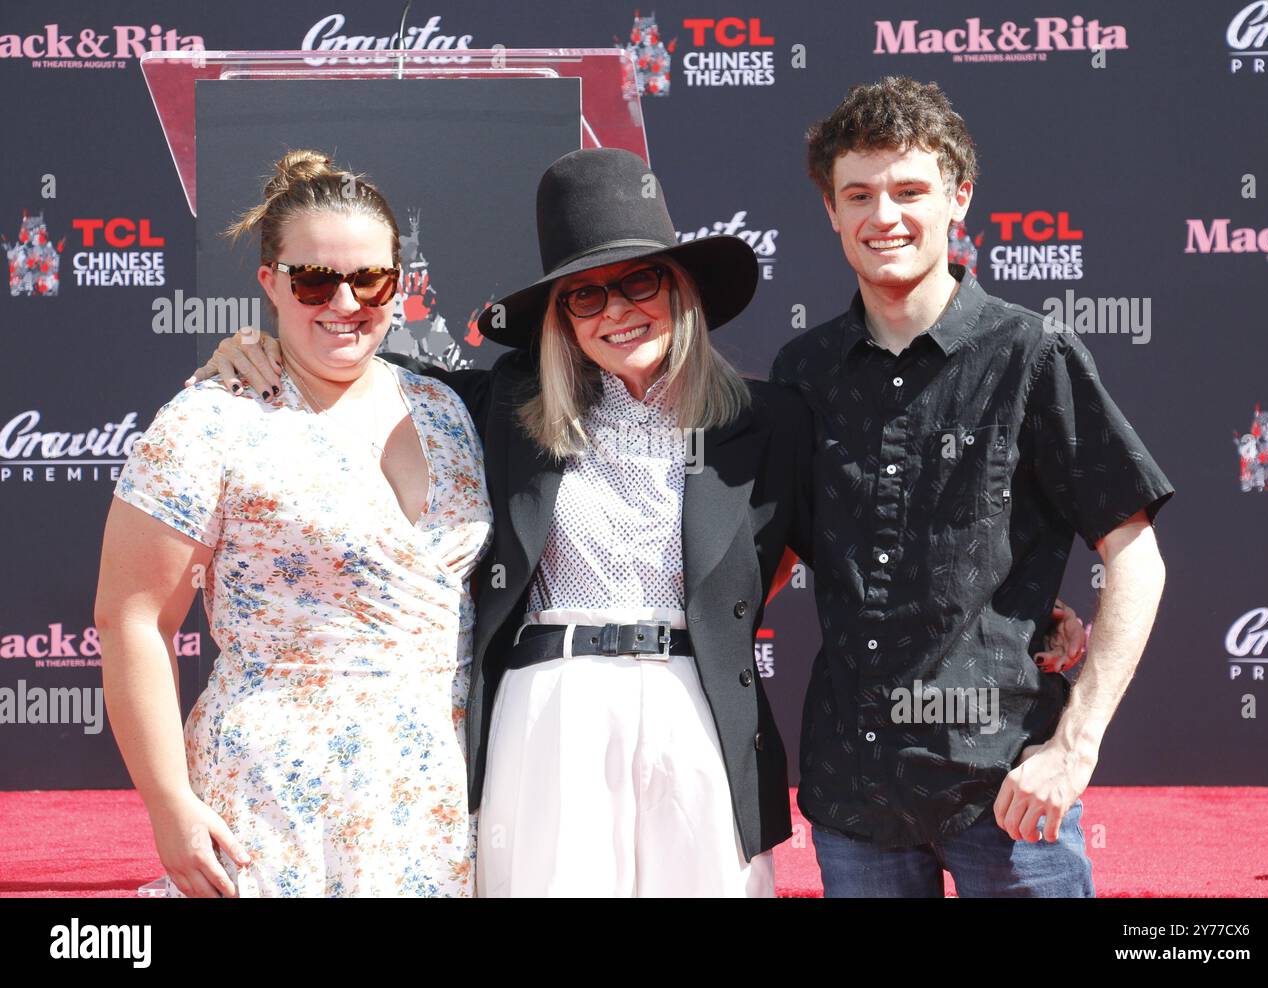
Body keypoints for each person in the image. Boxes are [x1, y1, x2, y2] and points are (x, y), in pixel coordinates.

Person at [192, 148, 1086, 897]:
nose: (618, 311)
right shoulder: (495, 407)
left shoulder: (768, 419)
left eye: (639, 283)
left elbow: (867, 548)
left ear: (680, 288)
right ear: (559, 316)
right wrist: (255, 345)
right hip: (548, 709)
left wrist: (1019, 614)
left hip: (698, 709)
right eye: (587, 296)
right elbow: (348, 358)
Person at [770, 77, 1173, 897]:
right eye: (860, 194)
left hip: (1006, 795)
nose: (885, 216)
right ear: (831, 210)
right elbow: (776, 558)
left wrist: (1075, 745)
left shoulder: (1031, 355)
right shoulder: (803, 373)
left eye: (910, 190)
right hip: (856, 797)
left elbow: (1137, 556)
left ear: (959, 198)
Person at [96, 150, 492, 897]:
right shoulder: (210, 421)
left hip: (434, 796)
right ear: (270, 283)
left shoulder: (450, 410)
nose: (344, 301)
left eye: (369, 279)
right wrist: (169, 802)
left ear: (399, 284)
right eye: (314, 279)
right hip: (275, 796)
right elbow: (131, 620)